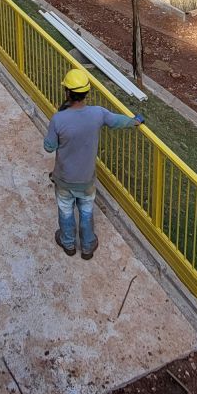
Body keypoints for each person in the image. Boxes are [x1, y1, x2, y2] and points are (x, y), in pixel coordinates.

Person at [43, 67, 140, 259]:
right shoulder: (98, 113)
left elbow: (49, 146)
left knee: (65, 211)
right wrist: (134, 121)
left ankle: (68, 243)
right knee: (86, 213)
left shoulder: (58, 119)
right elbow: (117, 121)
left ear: (67, 92)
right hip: (87, 180)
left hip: (63, 179)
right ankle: (87, 246)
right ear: (86, 92)